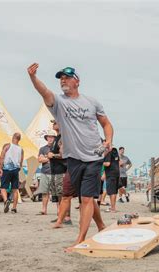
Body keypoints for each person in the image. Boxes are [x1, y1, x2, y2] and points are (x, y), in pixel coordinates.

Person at [28, 63, 113, 250]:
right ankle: (101, 226)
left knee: (87, 199)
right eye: (60, 78)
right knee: (86, 196)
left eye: (67, 77)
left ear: (77, 81)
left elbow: (106, 124)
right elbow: (44, 92)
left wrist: (108, 141)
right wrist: (33, 78)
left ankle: (80, 239)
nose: (63, 80)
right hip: (73, 158)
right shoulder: (59, 103)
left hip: (93, 155)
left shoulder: (92, 102)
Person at [47, 120, 71, 224]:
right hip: (54, 170)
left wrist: (53, 155)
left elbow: (65, 154)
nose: (53, 124)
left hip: (61, 170)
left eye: (55, 122)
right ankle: (60, 216)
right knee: (57, 195)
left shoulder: (63, 137)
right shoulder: (57, 138)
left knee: (63, 195)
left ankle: (67, 217)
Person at [0, 132, 24, 214]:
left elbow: (2, 157)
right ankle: (14, 208)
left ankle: (6, 201)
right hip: (15, 170)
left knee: (3, 188)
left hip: (6, 169)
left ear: (13, 137)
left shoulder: (8, 146)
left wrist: (0, 168)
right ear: (19, 139)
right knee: (15, 189)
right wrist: (18, 169)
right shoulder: (21, 149)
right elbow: (21, 162)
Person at [36, 131, 56, 215]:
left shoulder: (57, 148)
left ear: (55, 138)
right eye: (49, 137)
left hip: (55, 172)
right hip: (45, 172)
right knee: (45, 192)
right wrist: (50, 157)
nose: (50, 138)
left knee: (57, 194)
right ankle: (44, 209)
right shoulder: (42, 148)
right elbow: (40, 160)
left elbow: (60, 158)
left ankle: (60, 211)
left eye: (52, 137)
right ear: (46, 138)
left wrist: (45, 157)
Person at [103, 146, 120, 212]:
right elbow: (119, 162)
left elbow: (107, 163)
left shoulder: (109, 153)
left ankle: (113, 209)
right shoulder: (115, 151)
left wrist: (100, 162)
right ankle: (113, 207)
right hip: (116, 173)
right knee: (114, 192)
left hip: (111, 174)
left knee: (111, 192)